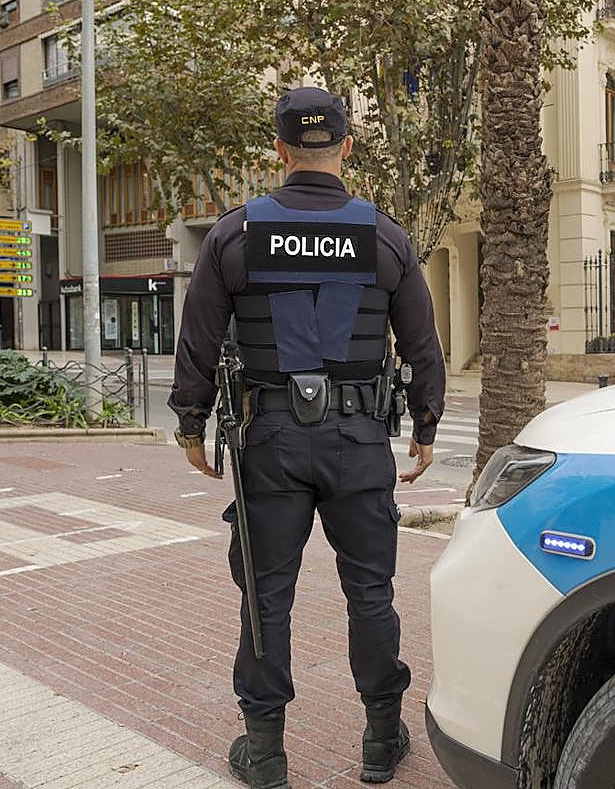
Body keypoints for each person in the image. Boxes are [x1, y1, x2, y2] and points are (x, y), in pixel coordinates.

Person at [167, 87, 446, 788]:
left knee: (266, 597)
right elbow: (422, 343)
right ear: (346, 147)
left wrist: (191, 424)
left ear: (280, 150)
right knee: (370, 592)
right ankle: (381, 739)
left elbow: (198, 338)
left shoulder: (235, 234)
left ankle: (265, 754)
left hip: (269, 440)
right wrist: (426, 426)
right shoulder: (385, 236)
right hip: (359, 438)